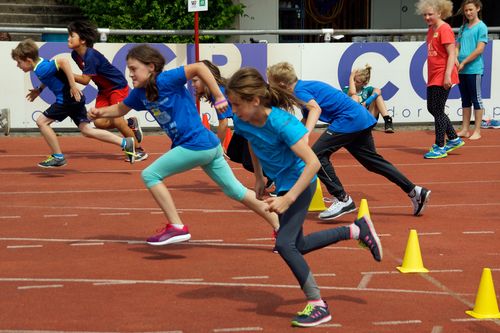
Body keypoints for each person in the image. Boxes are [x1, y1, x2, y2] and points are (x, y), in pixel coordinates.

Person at [225, 67, 383, 328]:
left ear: (254, 101)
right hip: (284, 185)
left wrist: (288, 199)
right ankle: (356, 230)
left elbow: (313, 163)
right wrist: (258, 177)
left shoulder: (281, 123)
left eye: (236, 104)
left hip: (302, 183)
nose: (234, 109)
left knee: (285, 245)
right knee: (299, 244)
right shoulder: (243, 120)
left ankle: (318, 304)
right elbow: (253, 141)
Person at [87, 44, 279, 245]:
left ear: (151, 67)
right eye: (129, 69)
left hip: (196, 144)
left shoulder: (166, 79)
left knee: (150, 175)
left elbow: (199, 68)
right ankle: (280, 226)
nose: (130, 74)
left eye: (134, 69)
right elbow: (120, 109)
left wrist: (220, 95)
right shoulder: (139, 93)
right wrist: (100, 112)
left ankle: (176, 227)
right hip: (208, 145)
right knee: (235, 191)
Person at [267, 62, 431, 220]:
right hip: (358, 118)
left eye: (271, 83)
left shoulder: (299, 91)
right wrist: (294, 136)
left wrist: (305, 136)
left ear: (281, 83)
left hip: (349, 119)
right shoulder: (303, 87)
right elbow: (306, 116)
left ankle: (342, 199)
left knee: (316, 156)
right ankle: (415, 191)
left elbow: (315, 109)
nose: (270, 87)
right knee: (372, 162)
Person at [11, 39, 135, 168]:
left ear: (28, 60)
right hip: (74, 100)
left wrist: (72, 86)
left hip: (66, 100)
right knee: (86, 130)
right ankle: (125, 143)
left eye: (19, 62)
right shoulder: (40, 64)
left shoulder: (42, 68)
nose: (18, 66)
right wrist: (39, 89)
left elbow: (63, 62)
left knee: (42, 122)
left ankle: (58, 157)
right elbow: (53, 75)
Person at [67, 20, 148, 161]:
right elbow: (90, 77)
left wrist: (64, 73)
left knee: (117, 120)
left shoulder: (91, 56)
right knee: (99, 123)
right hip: (104, 90)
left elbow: (85, 80)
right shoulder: (75, 55)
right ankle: (130, 124)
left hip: (117, 87)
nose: (68, 38)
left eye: (72, 36)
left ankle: (138, 149)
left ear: (83, 40)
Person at [416, 0, 465, 159]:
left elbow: (451, 53)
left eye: (430, 14)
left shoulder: (445, 29)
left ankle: (440, 146)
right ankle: (453, 138)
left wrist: (447, 75)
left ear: (440, 13)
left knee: (437, 109)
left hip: (443, 74)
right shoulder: (431, 29)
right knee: (433, 108)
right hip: (434, 74)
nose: (427, 17)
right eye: (425, 14)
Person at [455, 0, 488, 140]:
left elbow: (479, 49)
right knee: (465, 100)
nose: (468, 12)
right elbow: (457, 46)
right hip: (461, 69)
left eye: (470, 10)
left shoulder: (482, 27)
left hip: (474, 69)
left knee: (476, 99)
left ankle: (478, 130)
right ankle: (465, 129)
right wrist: (456, 60)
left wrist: (464, 62)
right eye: (466, 10)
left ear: (478, 9)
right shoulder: (463, 28)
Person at [192, 59, 233, 150]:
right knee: (236, 153)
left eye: (195, 81)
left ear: (205, 79)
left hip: (255, 124)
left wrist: (219, 146)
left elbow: (223, 122)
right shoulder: (221, 88)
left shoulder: (218, 93)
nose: (192, 84)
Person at [343, 65, 394, 133]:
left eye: (357, 82)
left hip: (368, 120)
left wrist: (367, 101)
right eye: (354, 80)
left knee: (378, 96)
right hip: (355, 120)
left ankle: (388, 120)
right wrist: (351, 76)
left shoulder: (367, 90)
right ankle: (356, 125)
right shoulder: (346, 89)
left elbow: (378, 90)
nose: (354, 83)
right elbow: (352, 92)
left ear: (364, 83)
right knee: (354, 97)